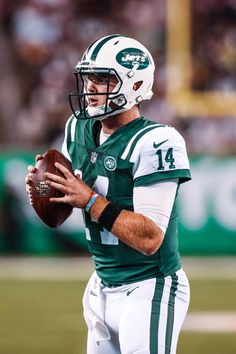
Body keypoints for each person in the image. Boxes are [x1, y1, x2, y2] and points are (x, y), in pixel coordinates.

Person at [25, 34, 191, 354]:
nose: (90, 87)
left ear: (133, 83)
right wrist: (44, 187)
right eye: (89, 78)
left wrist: (89, 199)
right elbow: (64, 201)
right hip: (101, 286)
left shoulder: (157, 141)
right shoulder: (78, 127)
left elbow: (150, 238)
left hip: (148, 287)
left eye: (102, 79)